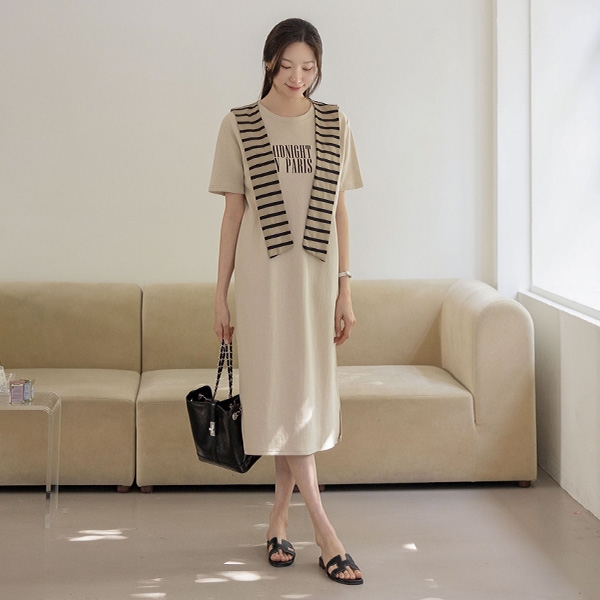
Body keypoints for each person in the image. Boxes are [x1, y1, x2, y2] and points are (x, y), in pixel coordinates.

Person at [209, 17, 364, 585]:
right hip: (262, 285)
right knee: (281, 396)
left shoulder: (334, 122)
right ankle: (325, 530)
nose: (299, 77)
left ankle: (278, 519)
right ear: (269, 62)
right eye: (288, 65)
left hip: (317, 284)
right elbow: (233, 216)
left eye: (309, 67)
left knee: (298, 401)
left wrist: (346, 287)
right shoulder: (240, 124)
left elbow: (341, 210)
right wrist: (220, 294)